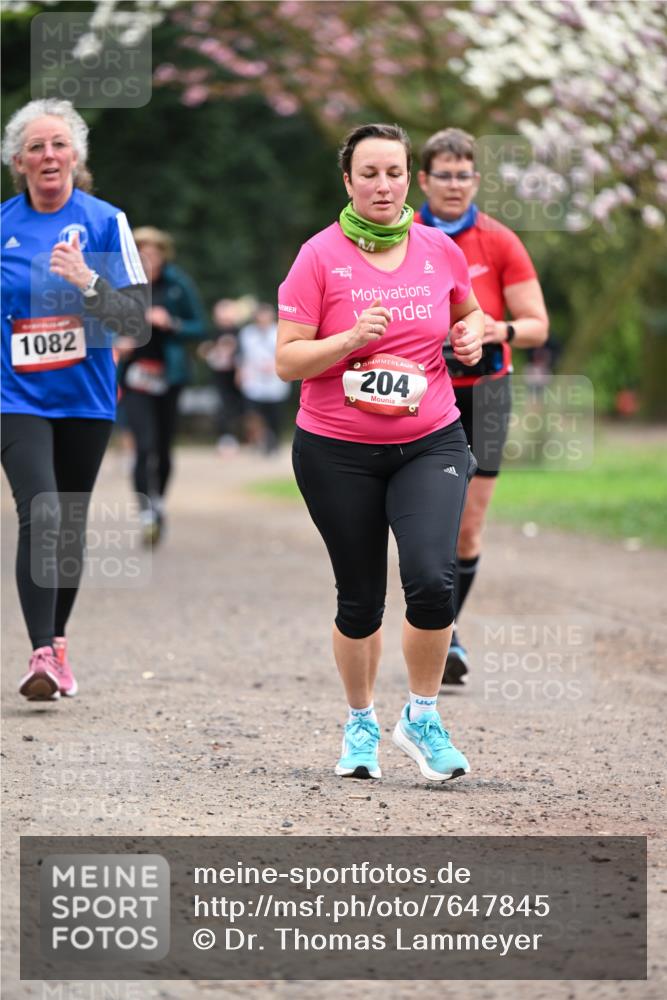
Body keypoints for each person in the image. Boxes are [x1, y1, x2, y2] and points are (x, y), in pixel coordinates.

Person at [276, 123, 484, 783]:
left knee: (431, 578)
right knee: (361, 598)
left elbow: (469, 312)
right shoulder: (318, 257)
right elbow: (286, 360)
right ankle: (360, 721)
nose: (383, 185)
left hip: (430, 440)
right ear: (347, 181)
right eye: (369, 173)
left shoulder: (438, 248)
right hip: (336, 450)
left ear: (407, 178)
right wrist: (347, 342)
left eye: (393, 172)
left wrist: (472, 335)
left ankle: (421, 716)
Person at [1, 98, 148, 701]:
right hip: (15, 396)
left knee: (68, 525)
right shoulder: (3, 225)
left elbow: (134, 320)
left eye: (58, 144)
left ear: (76, 157)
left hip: (85, 398)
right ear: (18, 162)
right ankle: (40, 651)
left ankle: (57, 645)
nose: (48, 155)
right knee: (42, 512)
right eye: (35, 147)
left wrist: (88, 280)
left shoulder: (105, 222)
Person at [416, 128, 549, 684]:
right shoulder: (404, 235)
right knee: (429, 524)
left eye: (464, 175)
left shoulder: (499, 240)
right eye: (444, 175)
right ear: (424, 180)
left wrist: (499, 328)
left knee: (468, 528)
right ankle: (435, 630)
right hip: (425, 390)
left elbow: (538, 325)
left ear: (476, 180)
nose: (455, 185)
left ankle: (445, 633)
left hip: (488, 393)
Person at [116, 227, 206, 545]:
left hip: (169, 377)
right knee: (144, 445)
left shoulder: (178, 283)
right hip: (135, 377)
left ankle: (159, 501)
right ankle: (146, 512)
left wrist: (172, 322)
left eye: (154, 253)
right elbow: (102, 323)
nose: (148, 259)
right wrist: (119, 340)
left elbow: (200, 326)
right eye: (142, 253)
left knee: (164, 449)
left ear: (163, 255)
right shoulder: (123, 285)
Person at [237, 304, 290, 454]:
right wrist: (240, 372)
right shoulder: (247, 333)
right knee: (252, 414)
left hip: (276, 381)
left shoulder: (280, 331)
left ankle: (274, 443)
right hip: (253, 381)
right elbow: (242, 355)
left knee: (275, 416)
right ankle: (256, 440)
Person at [198, 299, 243, 454]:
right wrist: (213, 350)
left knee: (241, 407)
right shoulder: (213, 333)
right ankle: (226, 438)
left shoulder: (240, 332)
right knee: (223, 406)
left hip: (238, 376)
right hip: (219, 376)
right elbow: (203, 351)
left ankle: (249, 437)